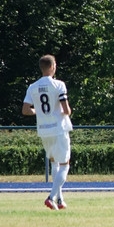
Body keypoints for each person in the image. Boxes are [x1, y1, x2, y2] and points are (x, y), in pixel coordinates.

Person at [22, 54, 73, 210]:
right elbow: (66, 110)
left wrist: (39, 112)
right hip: (59, 129)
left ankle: (60, 199)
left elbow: (25, 110)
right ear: (52, 67)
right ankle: (51, 197)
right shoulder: (59, 85)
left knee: (54, 163)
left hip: (44, 130)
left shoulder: (32, 87)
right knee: (64, 165)